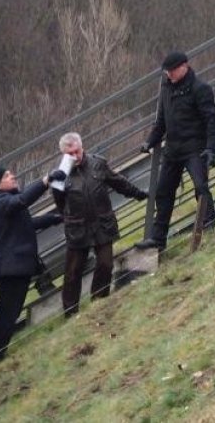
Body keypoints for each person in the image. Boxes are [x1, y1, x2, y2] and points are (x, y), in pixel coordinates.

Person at [51, 133, 148, 316]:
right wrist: (71, 216)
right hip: (77, 228)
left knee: (105, 264)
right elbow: (59, 202)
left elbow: (117, 182)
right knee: (72, 273)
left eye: (76, 151)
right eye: (69, 153)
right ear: (63, 154)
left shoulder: (98, 163)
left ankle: (99, 302)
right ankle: (71, 312)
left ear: (82, 147)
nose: (75, 156)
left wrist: (137, 193)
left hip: (103, 223)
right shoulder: (59, 175)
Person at [135, 51, 215, 250]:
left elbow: (212, 121)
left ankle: (209, 226)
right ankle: (157, 239)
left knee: (201, 187)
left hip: (195, 149)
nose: (168, 75)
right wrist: (149, 142)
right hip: (172, 150)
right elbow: (161, 121)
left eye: (171, 71)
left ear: (184, 66)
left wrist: (211, 149)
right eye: (166, 72)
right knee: (163, 192)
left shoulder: (200, 89)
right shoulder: (166, 89)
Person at [0, 166, 62, 365]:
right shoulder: (1, 202)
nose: (13, 176)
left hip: (13, 267)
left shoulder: (6, 201)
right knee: (7, 316)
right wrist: (45, 181)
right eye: (7, 175)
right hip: (11, 269)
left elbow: (27, 223)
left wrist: (53, 219)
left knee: (6, 313)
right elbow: (22, 201)